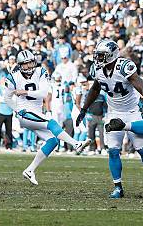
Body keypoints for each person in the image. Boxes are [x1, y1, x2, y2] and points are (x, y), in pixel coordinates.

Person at [77, 39, 143, 199]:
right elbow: (95, 89)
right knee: (113, 151)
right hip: (113, 113)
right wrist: (84, 108)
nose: (98, 59)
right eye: (98, 55)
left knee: (142, 150)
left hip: (132, 112)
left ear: (111, 55)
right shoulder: (97, 69)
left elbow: (142, 86)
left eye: (102, 55)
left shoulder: (124, 67)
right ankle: (118, 187)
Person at [5, 50, 89, 185]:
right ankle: (76, 144)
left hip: (36, 112)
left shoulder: (41, 72)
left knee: (53, 141)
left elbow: (43, 93)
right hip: (25, 112)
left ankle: (30, 170)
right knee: (51, 122)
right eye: (26, 64)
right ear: (20, 65)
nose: (29, 66)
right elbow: (7, 98)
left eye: (31, 63)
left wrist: (25, 91)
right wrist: (17, 110)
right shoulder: (13, 77)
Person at [0, 80, 13, 150]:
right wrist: (8, 99)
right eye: (3, 79)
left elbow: (13, 99)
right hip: (0, 112)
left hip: (9, 112)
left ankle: (9, 146)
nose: (5, 81)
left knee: (9, 131)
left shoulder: (11, 89)